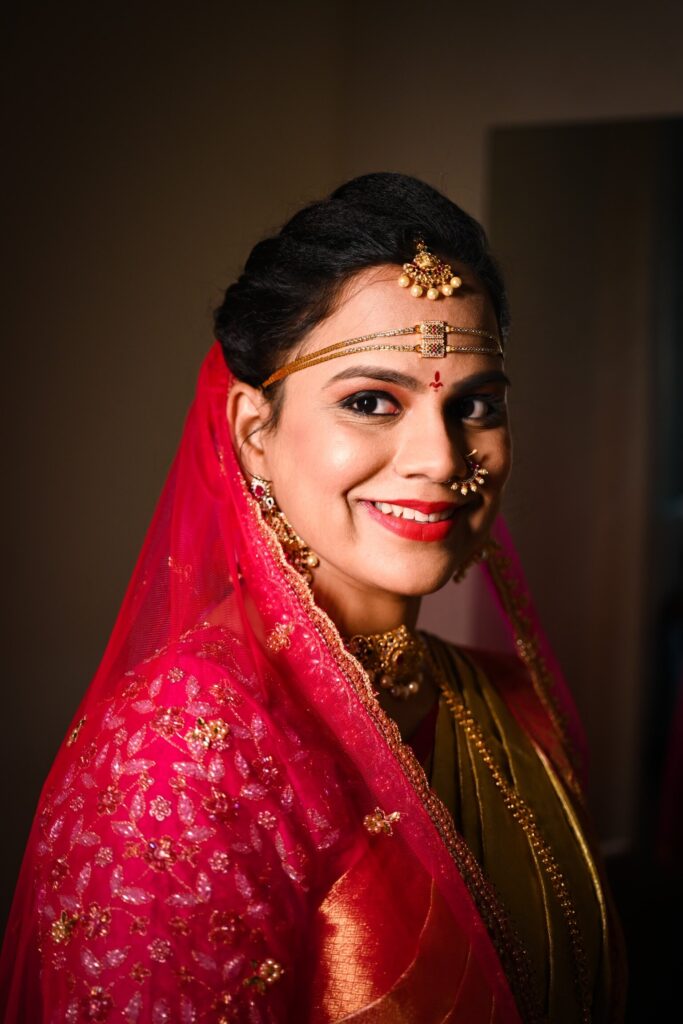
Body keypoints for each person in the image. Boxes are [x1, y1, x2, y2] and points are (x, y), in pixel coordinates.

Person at [0, 173, 625, 1022]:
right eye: (370, 402)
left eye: (475, 405)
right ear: (253, 434)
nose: (440, 459)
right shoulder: (186, 746)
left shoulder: (507, 702)